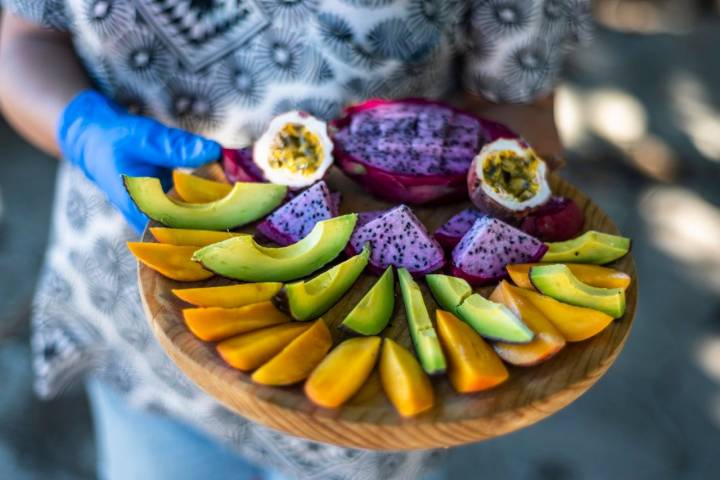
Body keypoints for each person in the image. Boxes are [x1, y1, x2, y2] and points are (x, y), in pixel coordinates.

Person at [0, 1, 590, 479]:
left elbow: (522, 100)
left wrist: (483, 201)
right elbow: (25, 41)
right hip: (140, 306)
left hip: (371, 349)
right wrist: (80, 127)